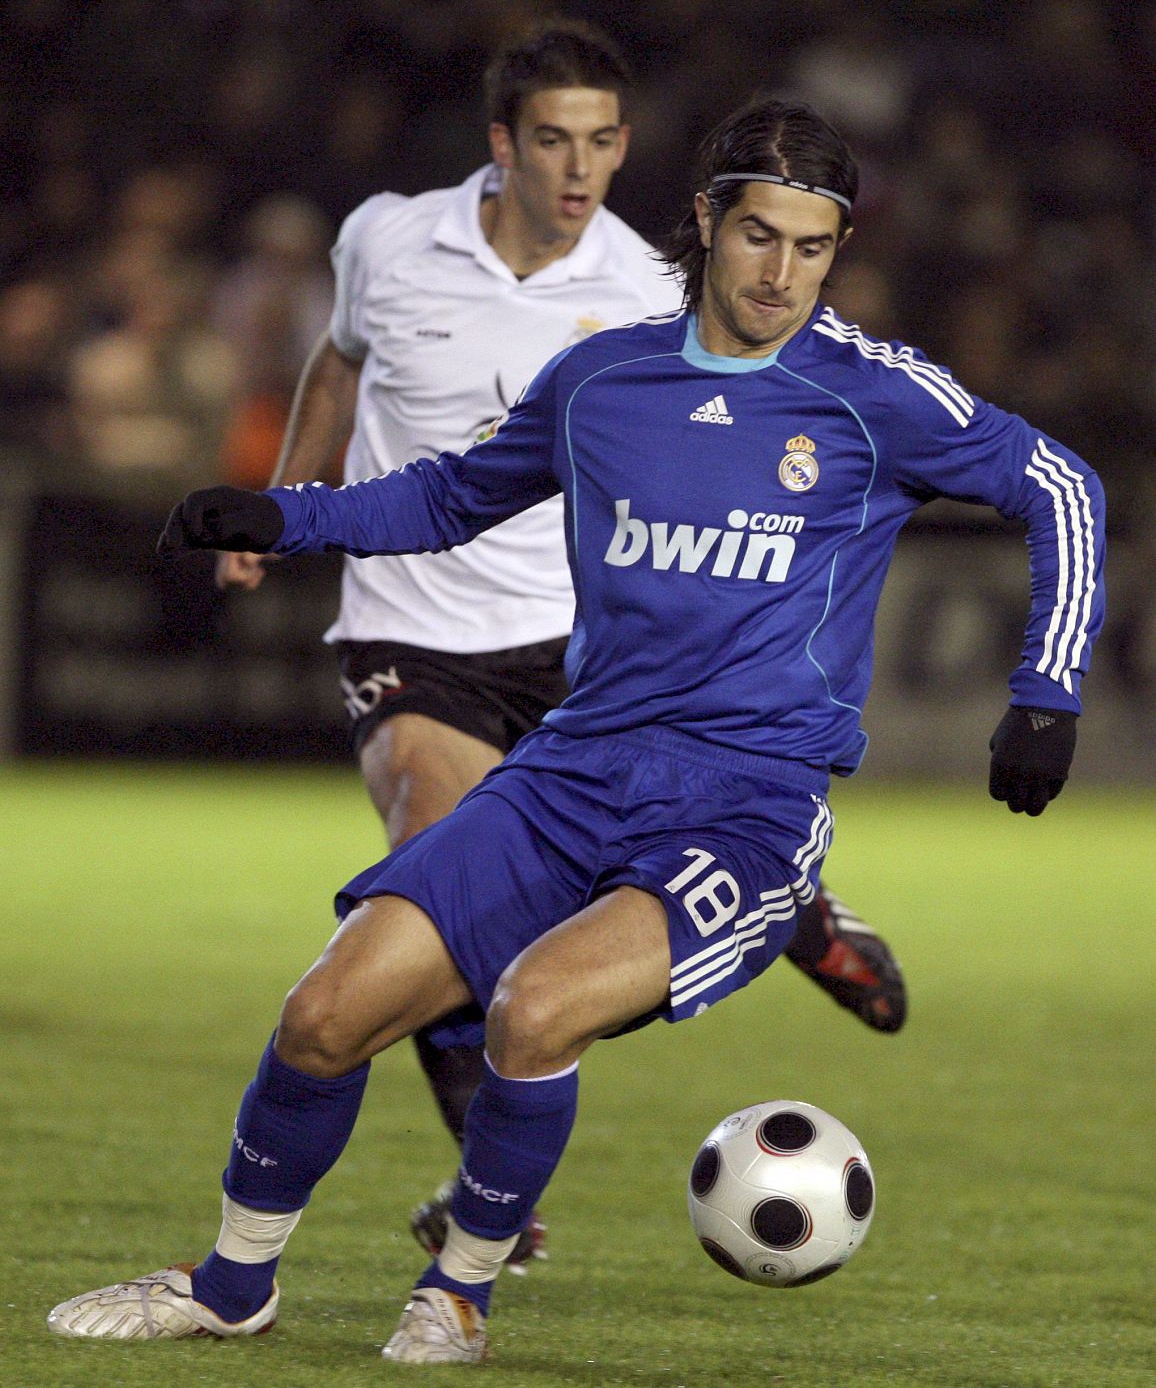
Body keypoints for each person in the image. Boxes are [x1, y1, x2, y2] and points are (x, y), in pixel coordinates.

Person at [49, 93, 1105, 1364]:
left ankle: (461, 1291)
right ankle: (230, 1283)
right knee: (323, 1015)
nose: (784, 275)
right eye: (760, 236)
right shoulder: (605, 377)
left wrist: (1045, 693)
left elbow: (1061, 483)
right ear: (707, 223)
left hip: (746, 805)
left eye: (814, 248)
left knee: (534, 1011)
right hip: (571, 768)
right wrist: (288, 520)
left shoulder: (870, 394)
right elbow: (448, 496)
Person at [212, 20, 906, 1270]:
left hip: (576, 645)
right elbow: (338, 362)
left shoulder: (652, 286)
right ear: (502, 143)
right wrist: (281, 498)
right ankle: (498, 1200)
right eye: (552, 139)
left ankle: (764, 890)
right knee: (434, 854)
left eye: (601, 142)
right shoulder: (385, 235)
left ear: (626, 149)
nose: (578, 168)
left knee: (561, 918)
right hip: (414, 626)